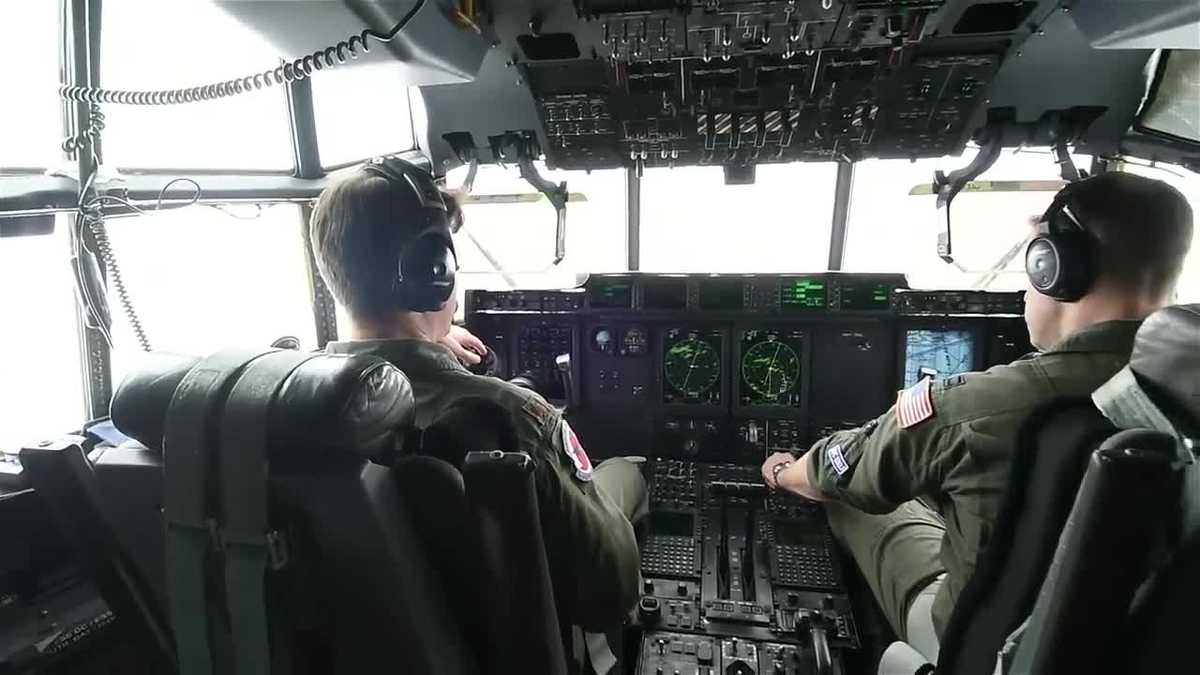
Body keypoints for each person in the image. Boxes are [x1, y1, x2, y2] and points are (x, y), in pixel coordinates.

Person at [761, 172, 1194, 665]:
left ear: (1059, 268)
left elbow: (847, 468)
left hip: (979, 650)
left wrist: (782, 471)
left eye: (1033, 262)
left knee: (861, 498)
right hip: (1130, 648)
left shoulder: (992, 404)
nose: (1027, 290)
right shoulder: (1183, 400)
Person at [308, 156, 646, 670]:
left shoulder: (298, 411)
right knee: (627, 472)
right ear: (433, 271)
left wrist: (435, 337)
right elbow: (612, 588)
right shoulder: (515, 416)